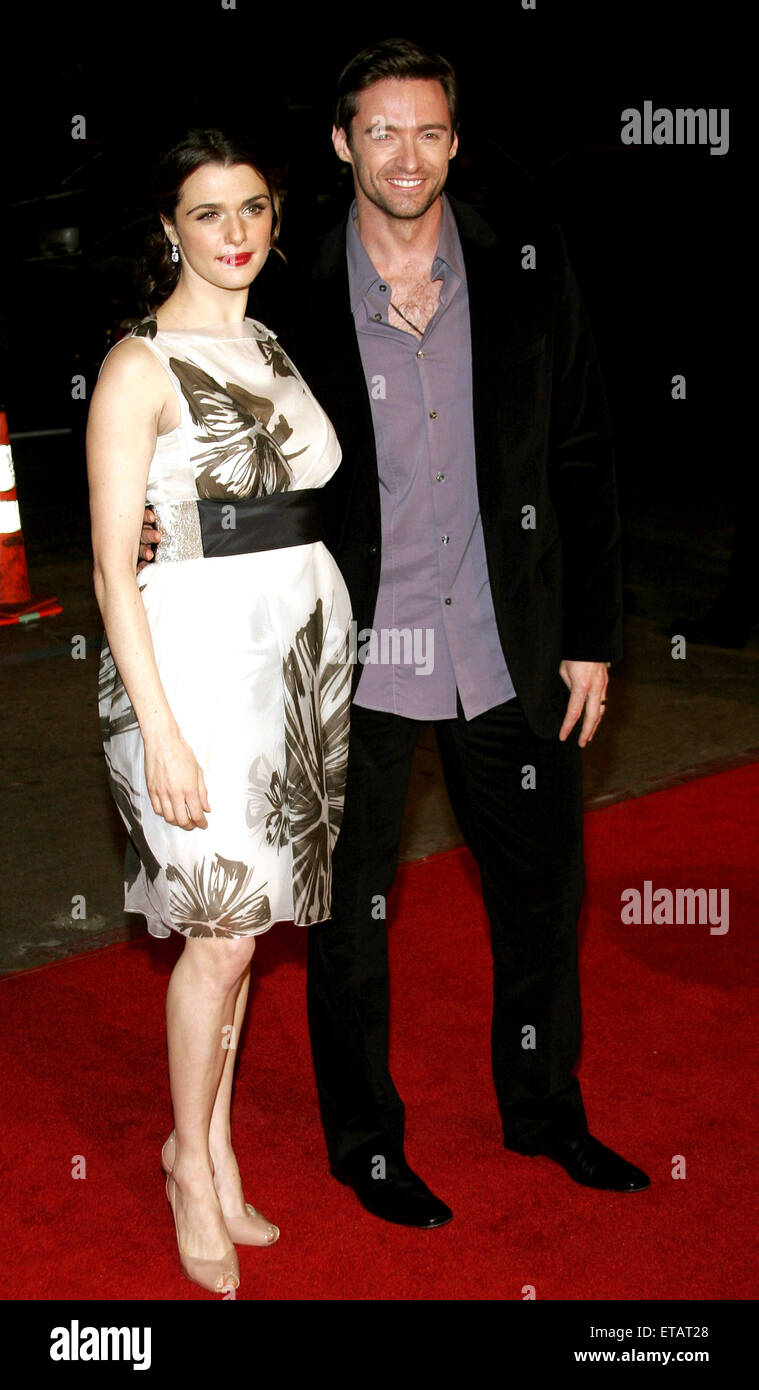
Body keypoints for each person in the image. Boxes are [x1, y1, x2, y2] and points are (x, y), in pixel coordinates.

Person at [143, 39, 651, 1230]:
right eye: (381, 130)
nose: (406, 154)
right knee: (347, 921)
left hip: (507, 642)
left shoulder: (523, 266)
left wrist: (590, 632)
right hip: (349, 659)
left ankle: (544, 1112)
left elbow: (582, 450)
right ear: (342, 144)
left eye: (428, 131)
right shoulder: (293, 293)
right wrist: (158, 520)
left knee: (540, 900)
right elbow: (195, 399)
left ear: (455, 141)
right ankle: (366, 1145)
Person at [88, 129, 352, 1293]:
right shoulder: (138, 365)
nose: (236, 231)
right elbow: (108, 569)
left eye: (253, 208)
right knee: (223, 935)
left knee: (244, 941)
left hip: (288, 667)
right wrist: (161, 729)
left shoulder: (271, 342)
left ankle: (217, 1142)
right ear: (168, 229)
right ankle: (187, 1164)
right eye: (208, 212)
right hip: (191, 669)